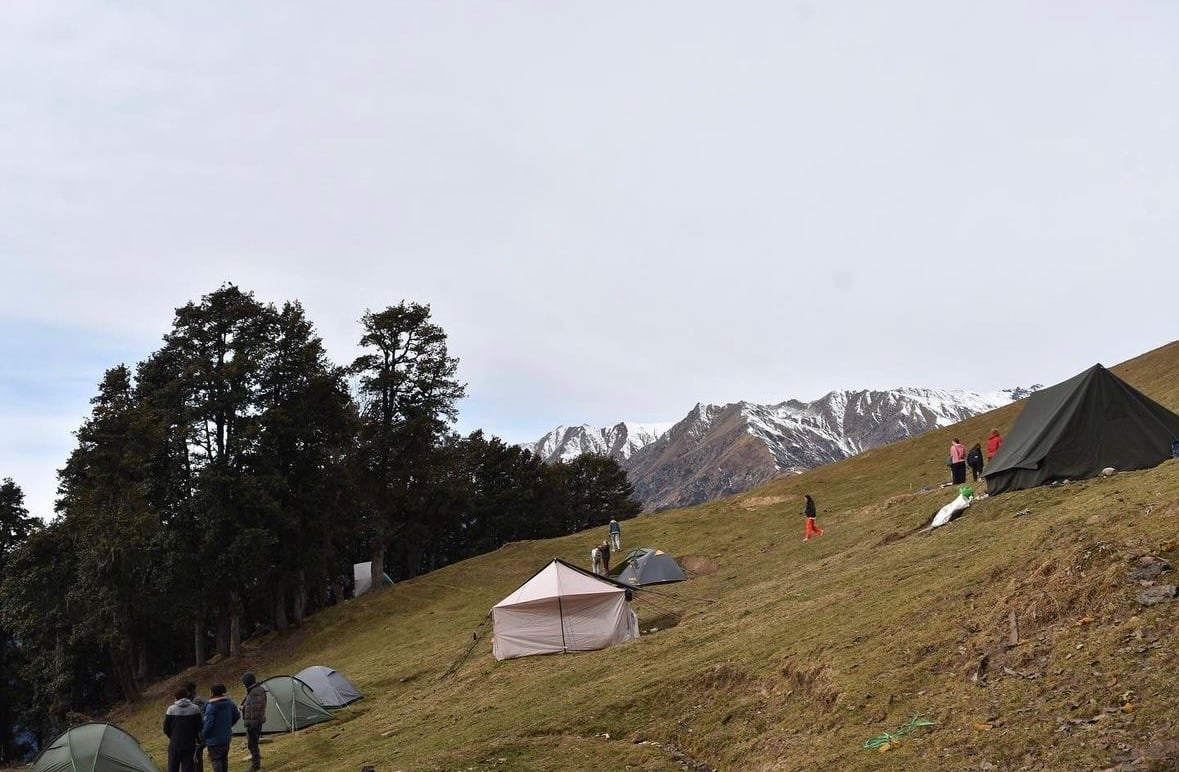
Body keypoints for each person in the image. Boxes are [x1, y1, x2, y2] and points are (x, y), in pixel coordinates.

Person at [163, 685, 204, 772]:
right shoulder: (195, 708)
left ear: (175, 697)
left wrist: (173, 736)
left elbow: (166, 728)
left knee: (173, 768)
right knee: (188, 768)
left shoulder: (171, 709)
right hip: (190, 743)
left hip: (175, 743)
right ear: (187, 695)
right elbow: (199, 726)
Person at [201, 683, 240, 772]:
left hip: (213, 740)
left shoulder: (211, 707)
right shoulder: (230, 703)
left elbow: (208, 724)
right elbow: (237, 715)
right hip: (226, 737)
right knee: (224, 759)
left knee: (216, 760)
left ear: (213, 693)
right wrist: (228, 725)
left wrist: (203, 735)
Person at [240, 671, 268, 772]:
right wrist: (244, 708)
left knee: (252, 744)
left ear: (248, 681)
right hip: (254, 721)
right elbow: (252, 707)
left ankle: (255, 765)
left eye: (244, 682)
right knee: (252, 743)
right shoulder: (255, 690)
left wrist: (252, 724)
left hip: (254, 722)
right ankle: (256, 760)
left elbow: (256, 709)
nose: (243, 684)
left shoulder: (255, 692)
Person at [184, 681, 207, 772]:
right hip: (192, 737)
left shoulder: (198, 702)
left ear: (191, 690)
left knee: (197, 760)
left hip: (199, 737)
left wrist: (201, 738)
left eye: (186, 691)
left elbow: (202, 720)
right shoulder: (191, 702)